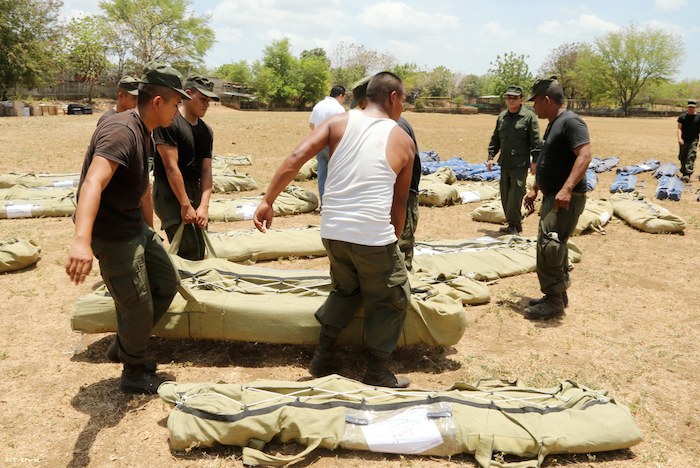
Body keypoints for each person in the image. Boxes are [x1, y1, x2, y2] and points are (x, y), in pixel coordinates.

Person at [254, 72, 415, 388]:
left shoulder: (337, 122)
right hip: (371, 235)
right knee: (393, 296)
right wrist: (392, 241)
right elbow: (399, 203)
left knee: (347, 289)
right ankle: (377, 370)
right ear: (394, 97)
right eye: (404, 99)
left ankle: (324, 354)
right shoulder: (403, 140)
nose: (403, 106)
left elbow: (296, 157)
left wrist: (267, 201)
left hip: (333, 231)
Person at [65, 62, 190, 394]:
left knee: (167, 281)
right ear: (158, 102)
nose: (178, 112)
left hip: (134, 227)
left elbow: (141, 187)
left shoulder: (146, 131)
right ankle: (133, 371)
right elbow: (93, 182)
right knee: (137, 304)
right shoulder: (122, 131)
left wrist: (149, 231)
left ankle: (124, 345)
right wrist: (81, 241)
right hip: (113, 236)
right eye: (176, 104)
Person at [523, 76, 591, 320]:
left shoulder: (571, 122)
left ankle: (553, 301)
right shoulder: (554, 123)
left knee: (550, 247)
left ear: (547, 100)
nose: (534, 106)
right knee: (554, 244)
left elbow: (585, 155)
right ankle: (558, 294)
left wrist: (567, 189)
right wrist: (536, 188)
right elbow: (548, 160)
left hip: (565, 198)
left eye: (535, 102)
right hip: (553, 196)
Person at [350, 75, 422, 270]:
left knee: (399, 253)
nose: (361, 110)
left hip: (400, 199)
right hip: (387, 199)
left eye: (362, 104)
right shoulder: (381, 125)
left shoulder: (395, 127)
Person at [152, 75, 219, 260]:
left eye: (209, 101)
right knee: (187, 250)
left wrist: (204, 205)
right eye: (203, 99)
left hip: (194, 190)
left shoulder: (206, 131)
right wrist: (185, 204)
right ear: (187, 94)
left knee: (199, 246)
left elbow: (206, 170)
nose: (206, 105)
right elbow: (170, 167)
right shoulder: (169, 123)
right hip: (170, 192)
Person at [487, 85, 541, 235]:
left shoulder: (529, 117)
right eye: (508, 97)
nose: (511, 100)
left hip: (520, 164)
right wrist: (491, 157)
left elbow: (536, 141)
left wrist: (535, 161)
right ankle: (512, 224)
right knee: (505, 195)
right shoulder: (502, 117)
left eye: (514, 98)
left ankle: (516, 225)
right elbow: (495, 139)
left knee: (515, 195)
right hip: (505, 163)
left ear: (521, 99)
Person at [309, 85, 346, 202]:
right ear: (341, 95)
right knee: (336, 174)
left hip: (318, 143)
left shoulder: (318, 106)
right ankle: (334, 202)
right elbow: (342, 129)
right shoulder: (338, 108)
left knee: (322, 174)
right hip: (333, 144)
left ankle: (324, 203)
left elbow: (311, 125)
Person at [676, 99, 700, 182]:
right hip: (683, 140)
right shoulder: (682, 117)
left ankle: (687, 174)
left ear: (695, 107)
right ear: (687, 107)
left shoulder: (699, 117)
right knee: (682, 156)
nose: (691, 108)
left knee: (691, 156)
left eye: (692, 107)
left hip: (694, 140)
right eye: (689, 107)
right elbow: (679, 128)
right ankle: (683, 172)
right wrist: (679, 138)